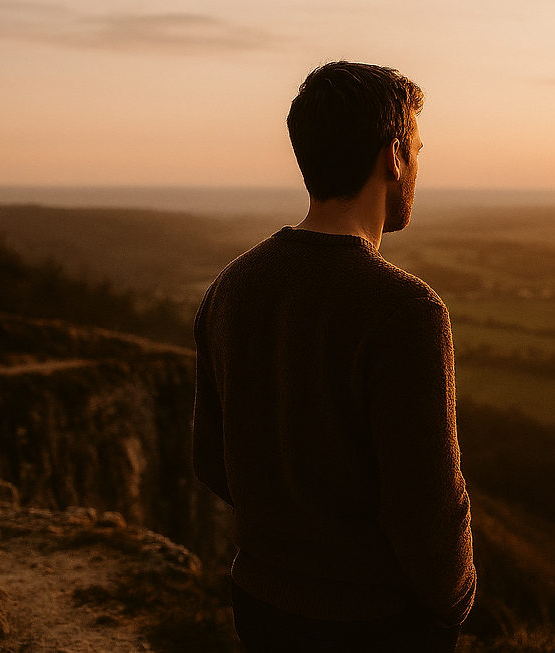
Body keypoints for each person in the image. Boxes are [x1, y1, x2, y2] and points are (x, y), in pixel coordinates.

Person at [192, 61, 476, 652]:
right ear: (394, 157)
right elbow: (427, 508)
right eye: (417, 151)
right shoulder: (406, 311)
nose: (418, 167)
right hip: (375, 623)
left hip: (260, 605)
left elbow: (212, 462)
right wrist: (454, 602)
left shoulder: (229, 288)